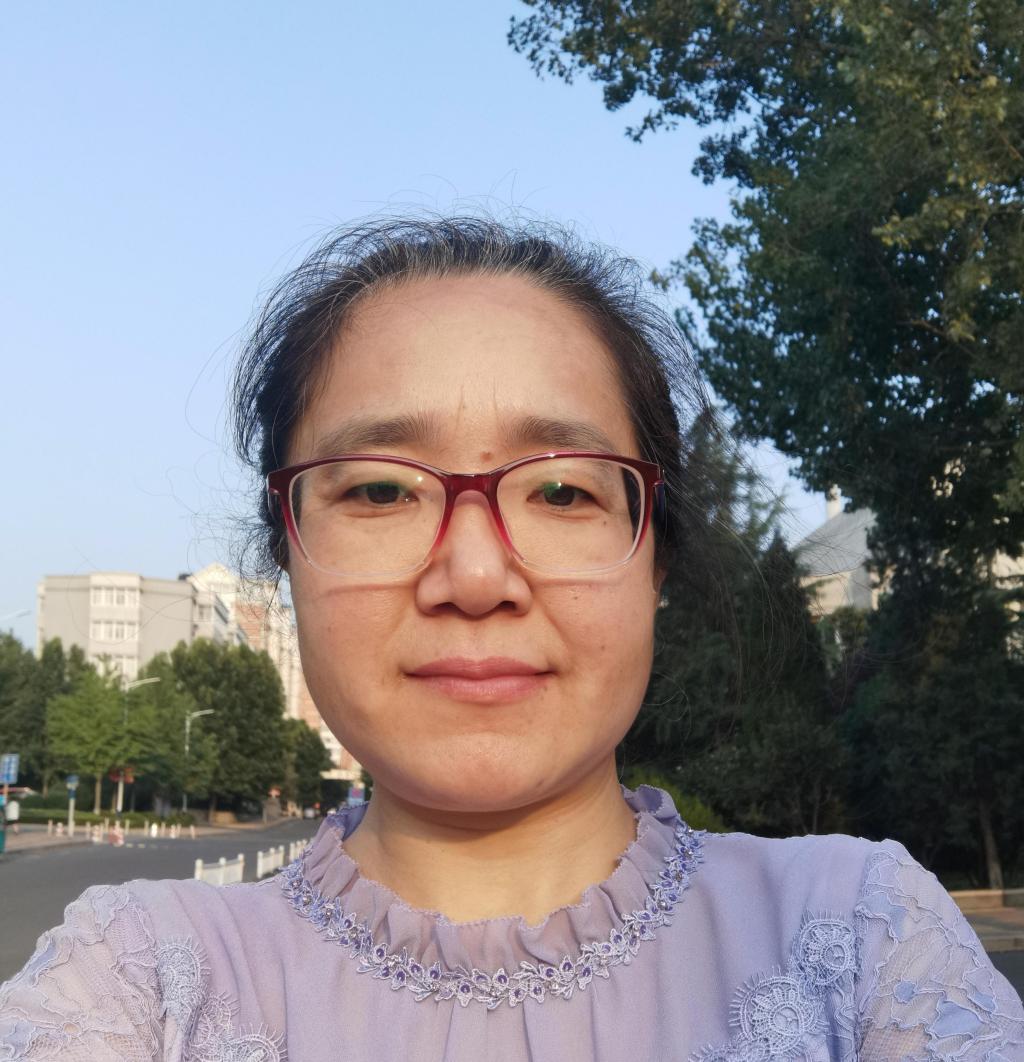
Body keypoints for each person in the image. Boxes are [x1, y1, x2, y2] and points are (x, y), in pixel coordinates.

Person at [1, 216, 1021, 1060]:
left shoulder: (863, 941)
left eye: (564, 491)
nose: (476, 577)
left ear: (656, 560)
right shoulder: (136, 982)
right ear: (288, 555)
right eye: (381, 491)